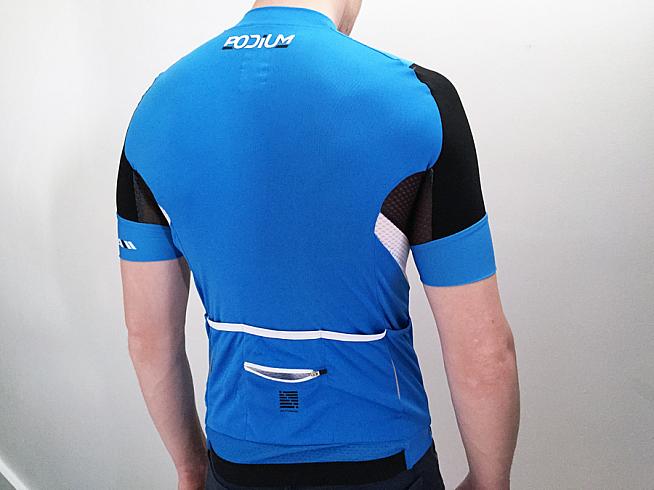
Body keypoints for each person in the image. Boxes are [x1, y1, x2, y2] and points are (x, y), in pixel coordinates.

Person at [115, 0, 520, 488]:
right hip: (386, 461)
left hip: (238, 458)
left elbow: (148, 340)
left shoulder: (154, 108)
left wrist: (190, 468)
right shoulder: (419, 100)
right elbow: (483, 351)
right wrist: (490, 482)